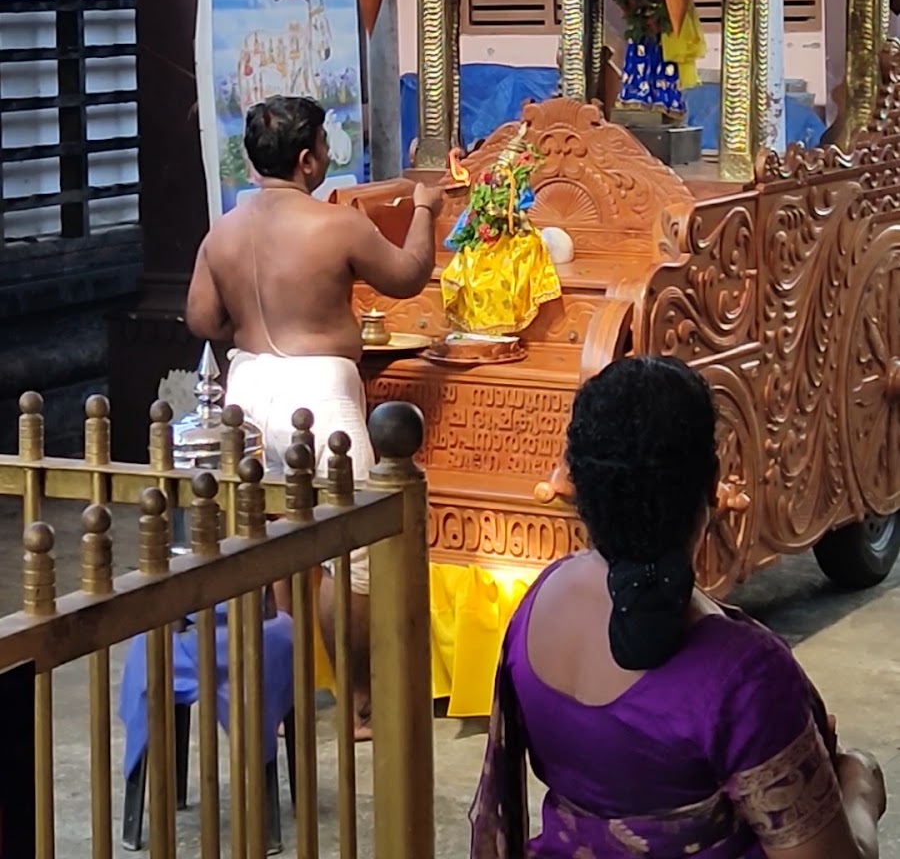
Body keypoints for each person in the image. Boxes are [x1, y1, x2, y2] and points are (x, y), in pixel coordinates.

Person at [470, 356, 886, 859]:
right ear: (713, 484)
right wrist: (860, 786)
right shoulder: (745, 675)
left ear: (576, 487)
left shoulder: (539, 604)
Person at [186, 94, 443, 738]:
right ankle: (357, 701)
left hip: (248, 389)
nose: (328, 155)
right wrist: (424, 208)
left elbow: (202, 319)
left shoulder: (223, 232)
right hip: (320, 393)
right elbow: (409, 275)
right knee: (352, 553)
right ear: (307, 160)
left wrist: (252, 324)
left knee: (270, 540)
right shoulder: (336, 225)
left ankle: (283, 695)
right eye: (325, 145)